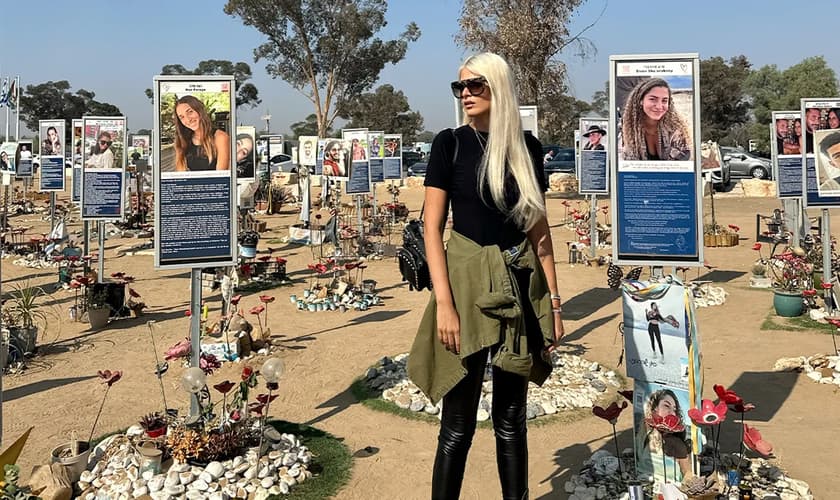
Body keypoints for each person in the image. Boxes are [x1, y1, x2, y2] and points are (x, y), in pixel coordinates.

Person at [407, 52, 564, 500]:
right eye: (459, 87)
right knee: (457, 424)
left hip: (519, 285)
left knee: (511, 420)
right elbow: (433, 229)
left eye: (475, 85)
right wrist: (446, 306)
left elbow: (539, 230)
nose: (465, 95)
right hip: (466, 285)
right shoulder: (448, 144)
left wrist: (553, 302)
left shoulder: (528, 148)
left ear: (498, 88)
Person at [620, 78, 692, 161]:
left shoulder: (677, 131)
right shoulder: (628, 130)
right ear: (641, 101)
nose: (659, 106)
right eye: (653, 99)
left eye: (664, 101)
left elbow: (681, 164)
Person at [641, 389, 691, 478]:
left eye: (674, 409)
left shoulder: (677, 444)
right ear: (655, 408)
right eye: (667, 406)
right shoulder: (644, 435)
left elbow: (688, 476)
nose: (672, 413)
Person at [173, 95, 230, 171]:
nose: (187, 119)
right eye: (182, 117)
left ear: (200, 110)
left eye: (190, 112)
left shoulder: (220, 137)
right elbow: (181, 174)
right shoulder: (183, 140)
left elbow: (221, 177)